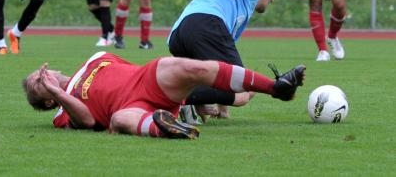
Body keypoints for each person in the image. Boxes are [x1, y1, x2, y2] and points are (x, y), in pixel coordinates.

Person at [23, 51, 306, 139]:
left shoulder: (94, 58)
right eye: (38, 83)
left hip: (144, 79)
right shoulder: (62, 112)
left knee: (185, 66)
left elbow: (128, 67)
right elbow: (86, 121)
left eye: (39, 73)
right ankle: (168, 128)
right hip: (129, 106)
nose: (42, 76)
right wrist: (59, 93)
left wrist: (177, 88)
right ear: (48, 101)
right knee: (120, 119)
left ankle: (276, 88)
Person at [168, 0, 282, 122]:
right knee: (245, 92)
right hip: (206, 23)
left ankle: (187, 102)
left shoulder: (233, 7)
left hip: (178, 35)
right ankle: (172, 95)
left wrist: (219, 108)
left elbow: (224, 70)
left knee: (211, 77)